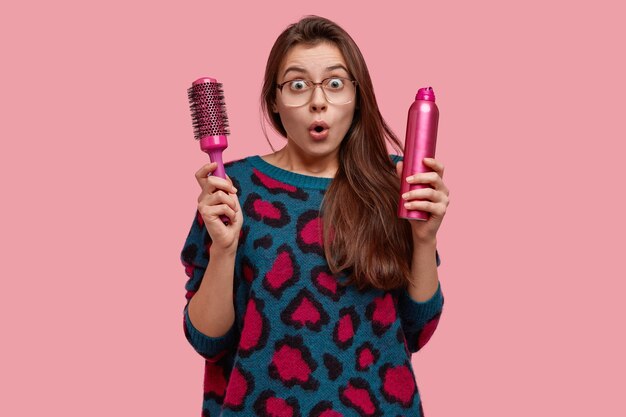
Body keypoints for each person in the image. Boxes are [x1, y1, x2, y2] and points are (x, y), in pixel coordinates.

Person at [180, 15, 451, 417]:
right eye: (298, 85)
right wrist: (223, 248)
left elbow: (416, 330)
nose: (318, 100)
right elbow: (207, 340)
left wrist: (424, 239)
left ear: (358, 96)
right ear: (273, 99)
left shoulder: (394, 183)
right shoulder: (232, 188)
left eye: (336, 83)